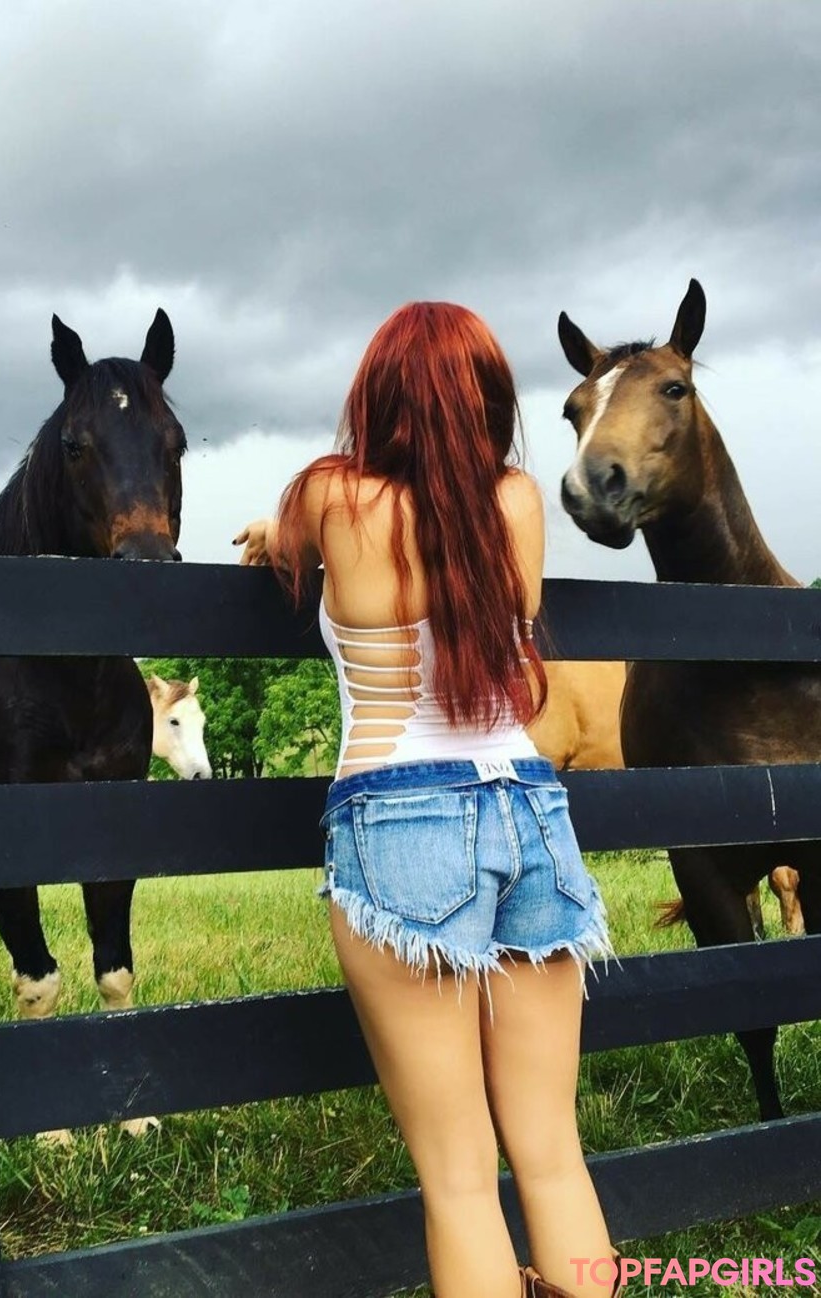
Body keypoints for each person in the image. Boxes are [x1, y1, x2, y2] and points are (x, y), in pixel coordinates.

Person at [234, 302, 622, 1298]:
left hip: (398, 814)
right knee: (553, 1152)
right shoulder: (518, 502)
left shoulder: (329, 495)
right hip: (527, 807)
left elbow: (286, 545)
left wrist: (267, 534)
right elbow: (503, 609)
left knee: (458, 1177)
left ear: (380, 396)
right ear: (489, 401)